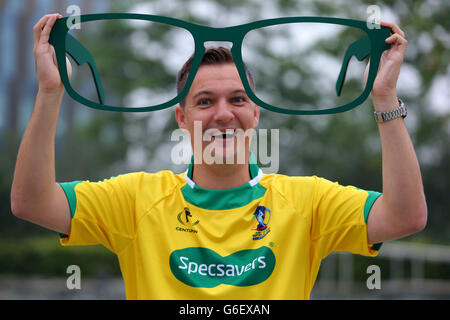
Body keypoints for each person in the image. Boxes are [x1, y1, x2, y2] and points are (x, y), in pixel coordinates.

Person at [11, 14, 427, 299]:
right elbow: (32, 202)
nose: (224, 113)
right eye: (205, 101)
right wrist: (50, 93)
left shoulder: (308, 201)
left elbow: (404, 217)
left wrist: (385, 97)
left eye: (238, 99)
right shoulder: (137, 199)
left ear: (255, 113)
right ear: (182, 116)